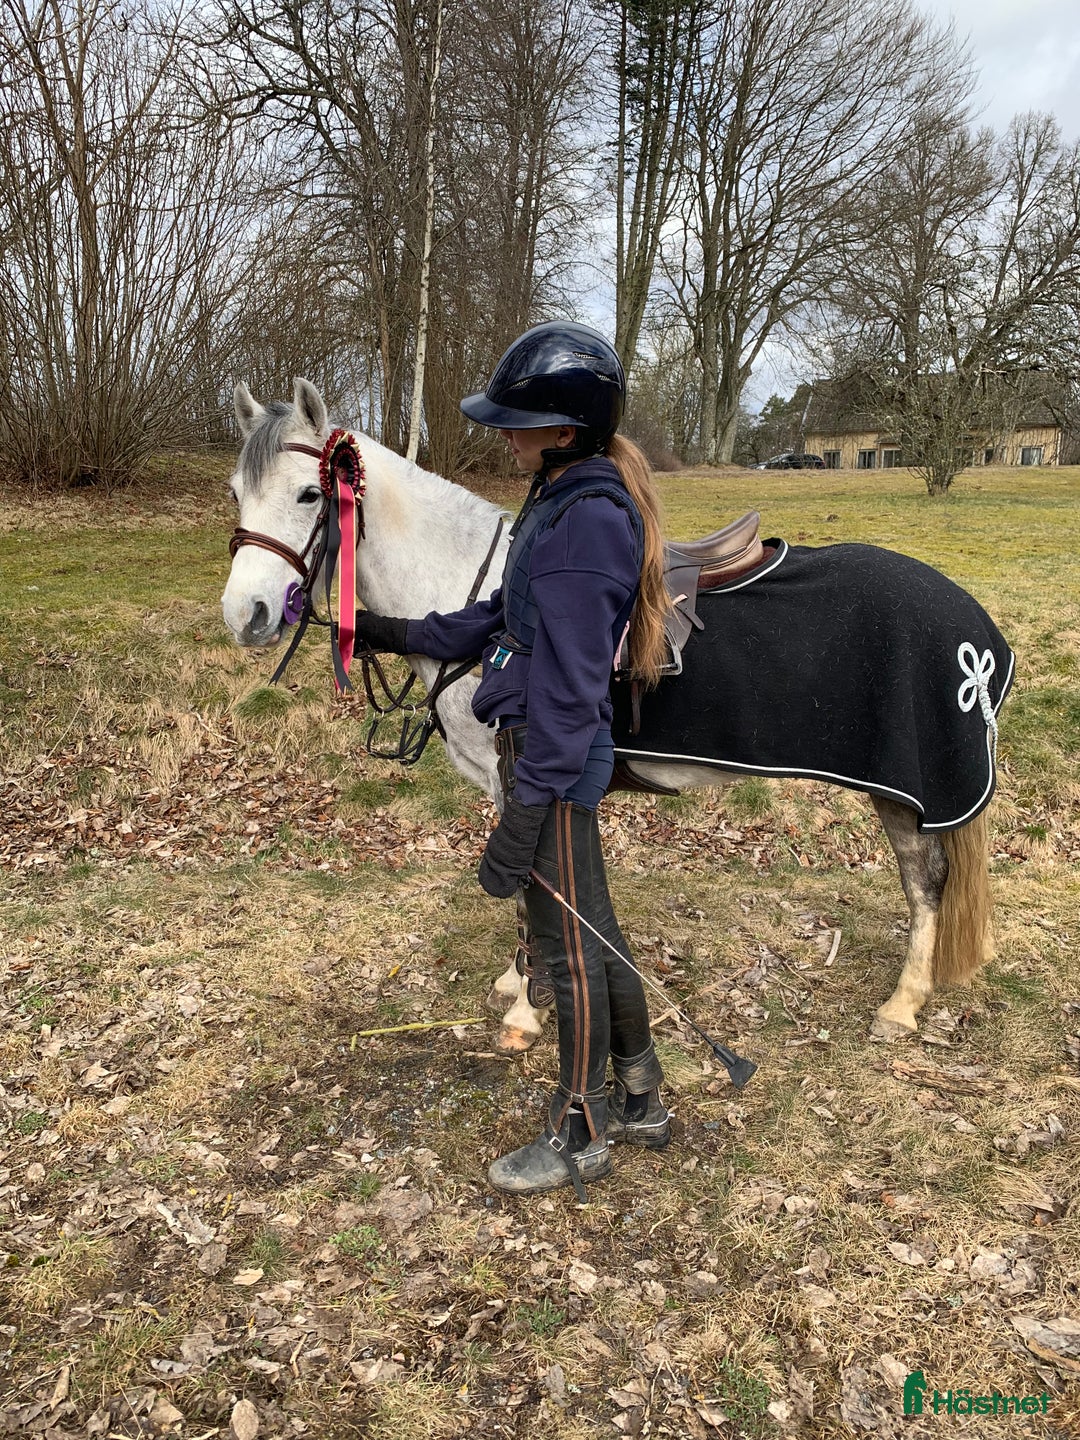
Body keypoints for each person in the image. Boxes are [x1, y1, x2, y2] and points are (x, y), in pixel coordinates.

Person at [355, 321, 672, 1198]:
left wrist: (526, 812)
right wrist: (371, 628)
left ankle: (579, 1132)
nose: (503, 431)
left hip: (551, 760)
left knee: (563, 945)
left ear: (565, 428)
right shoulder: (559, 500)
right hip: (544, 754)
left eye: (517, 419)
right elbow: (494, 617)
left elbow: (574, 695)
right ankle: (640, 1095)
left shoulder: (584, 526)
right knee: (594, 929)